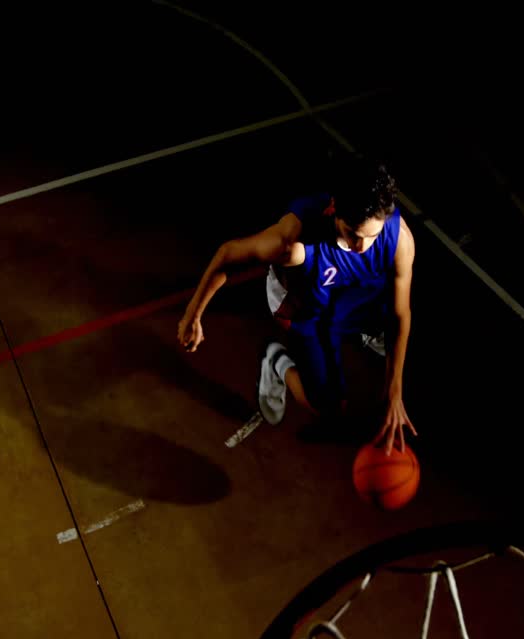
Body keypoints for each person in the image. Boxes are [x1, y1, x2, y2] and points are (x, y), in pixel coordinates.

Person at [177, 158, 417, 453]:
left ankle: (363, 327)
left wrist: (394, 391)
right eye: (353, 233)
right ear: (334, 211)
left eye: (373, 235)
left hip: (351, 294)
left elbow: (399, 312)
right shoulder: (294, 244)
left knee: (387, 293)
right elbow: (229, 254)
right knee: (329, 408)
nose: (361, 246)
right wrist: (193, 313)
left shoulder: (399, 238)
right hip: (304, 306)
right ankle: (276, 361)